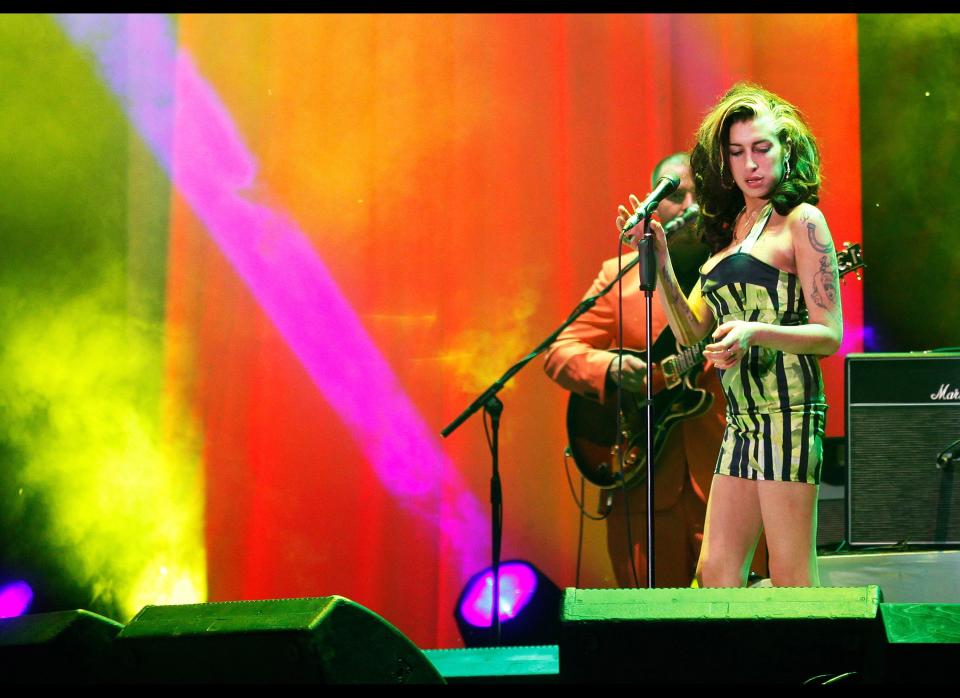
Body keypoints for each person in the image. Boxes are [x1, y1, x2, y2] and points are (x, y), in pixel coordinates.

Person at [617, 82, 842, 587]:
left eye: (762, 148)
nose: (751, 164)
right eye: (738, 152)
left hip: (789, 412)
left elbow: (829, 334)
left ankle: (818, 666)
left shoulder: (801, 221)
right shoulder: (731, 229)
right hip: (741, 420)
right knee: (716, 573)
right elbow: (690, 333)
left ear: (787, 149)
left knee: (790, 574)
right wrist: (659, 257)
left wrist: (755, 331)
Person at [545, 153, 768, 588]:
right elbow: (560, 351)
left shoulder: (739, 267)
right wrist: (609, 366)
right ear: (652, 204)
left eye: (696, 194)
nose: (686, 204)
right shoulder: (619, 276)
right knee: (648, 635)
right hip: (642, 480)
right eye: (673, 194)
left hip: (728, 476)